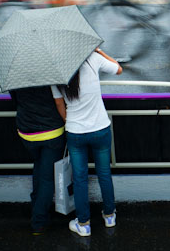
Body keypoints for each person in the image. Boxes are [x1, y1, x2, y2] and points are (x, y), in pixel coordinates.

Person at [52, 47, 123, 237]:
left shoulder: (56, 70)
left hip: (76, 132)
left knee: (80, 178)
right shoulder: (92, 58)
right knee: (104, 173)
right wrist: (100, 52)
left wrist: (71, 122)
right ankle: (109, 216)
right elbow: (118, 69)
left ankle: (83, 223)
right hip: (100, 128)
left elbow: (60, 104)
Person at [9, 85, 67, 235]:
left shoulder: (16, 75)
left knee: (38, 166)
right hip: (51, 132)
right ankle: (39, 221)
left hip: (27, 131)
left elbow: (15, 100)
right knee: (48, 179)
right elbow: (59, 102)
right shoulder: (50, 74)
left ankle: (37, 204)